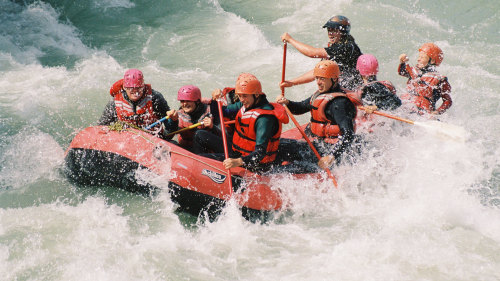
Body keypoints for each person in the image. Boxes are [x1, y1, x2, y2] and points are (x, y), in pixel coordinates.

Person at [195, 73, 289, 172]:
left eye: (245, 96)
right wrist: (214, 100)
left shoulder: (265, 119)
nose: (242, 100)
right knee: (199, 135)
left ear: (257, 94)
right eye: (239, 96)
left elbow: (260, 153)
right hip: (237, 151)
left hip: (254, 164)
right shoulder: (247, 103)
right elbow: (220, 112)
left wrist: (238, 161)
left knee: (201, 158)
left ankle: (206, 174)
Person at [275, 60, 358, 169]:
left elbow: (348, 134)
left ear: (334, 79)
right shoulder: (320, 94)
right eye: (317, 78)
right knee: (277, 143)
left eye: (322, 79)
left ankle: (272, 175)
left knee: (279, 147)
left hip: (327, 151)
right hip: (317, 145)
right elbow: (300, 108)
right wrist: (286, 102)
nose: (318, 82)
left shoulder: (339, 103)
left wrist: (331, 156)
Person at [280, 15, 363, 90]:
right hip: (344, 88)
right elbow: (319, 71)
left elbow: (312, 53)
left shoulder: (346, 47)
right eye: (329, 30)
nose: (330, 34)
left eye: (334, 30)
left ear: (343, 32)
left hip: (354, 91)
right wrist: (292, 83)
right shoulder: (339, 45)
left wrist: (290, 39)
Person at [98, 69, 175, 138]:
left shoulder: (155, 98)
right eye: (131, 88)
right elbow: (101, 127)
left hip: (152, 139)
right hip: (125, 141)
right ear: (125, 87)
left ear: (143, 86)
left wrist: (174, 120)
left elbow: (170, 129)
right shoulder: (114, 103)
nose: (136, 92)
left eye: (138, 88)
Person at [398, 42, 452, 115]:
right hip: (404, 106)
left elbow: (447, 101)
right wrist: (402, 62)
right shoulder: (413, 71)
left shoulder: (440, 79)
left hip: (422, 112)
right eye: (419, 57)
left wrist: (437, 112)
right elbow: (402, 72)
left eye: (422, 57)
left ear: (432, 61)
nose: (418, 59)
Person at [164, 85, 216, 151]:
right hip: (186, 150)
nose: (185, 104)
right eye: (182, 101)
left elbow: (223, 137)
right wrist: (173, 121)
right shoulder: (179, 115)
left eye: (188, 100)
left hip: (204, 152)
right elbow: (166, 137)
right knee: (169, 144)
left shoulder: (210, 111)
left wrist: (212, 127)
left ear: (197, 101)